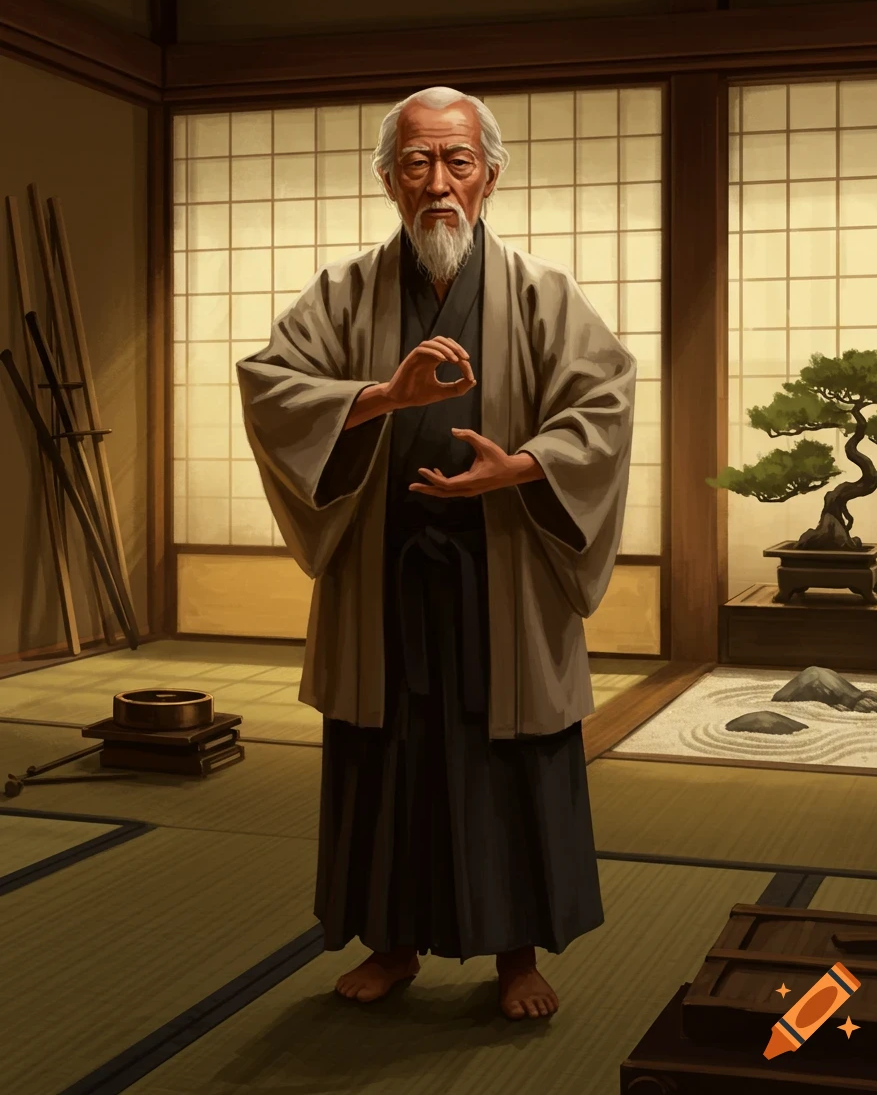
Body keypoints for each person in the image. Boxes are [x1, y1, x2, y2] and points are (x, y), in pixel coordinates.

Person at [237, 86, 636, 1021]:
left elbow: (605, 405)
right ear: (387, 180)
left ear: (490, 176)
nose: (439, 184)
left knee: (510, 765)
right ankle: (393, 945)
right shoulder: (342, 294)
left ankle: (517, 958)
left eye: (458, 161)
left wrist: (523, 468)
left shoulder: (543, 295)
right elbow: (272, 389)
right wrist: (379, 396)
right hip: (382, 577)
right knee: (388, 760)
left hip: (504, 570)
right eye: (416, 163)